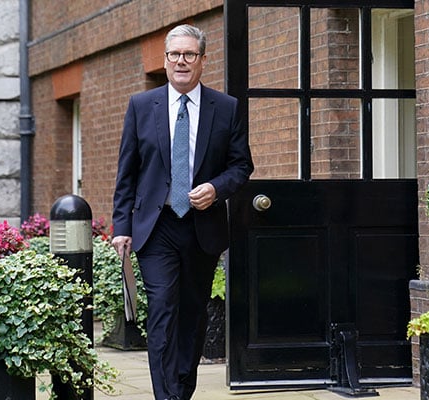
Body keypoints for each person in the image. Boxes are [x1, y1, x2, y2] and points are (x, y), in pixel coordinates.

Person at [111, 24, 254, 400]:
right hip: (155, 228)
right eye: (174, 54)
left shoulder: (226, 108)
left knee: (192, 315)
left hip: (200, 229)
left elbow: (241, 167)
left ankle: (181, 389)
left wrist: (216, 189)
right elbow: (127, 172)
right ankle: (166, 396)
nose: (181, 62)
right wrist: (121, 227)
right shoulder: (142, 106)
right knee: (161, 308)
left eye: (189, 54)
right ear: (165, 60)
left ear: (203, 61)